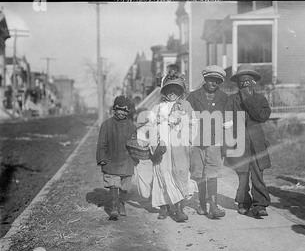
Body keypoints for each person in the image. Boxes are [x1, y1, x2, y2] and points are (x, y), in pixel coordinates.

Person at [147, 75, 197, 222]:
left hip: (180, 147)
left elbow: (193, 124)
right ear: (164, 91)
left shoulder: (186, 106)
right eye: (169, 90)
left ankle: (179, 209)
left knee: (180, 173)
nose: (172, 93)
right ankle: (163, 207)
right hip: (163, 147)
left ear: (180, 92)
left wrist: (188, 140)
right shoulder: (157, 108)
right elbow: (150, 126)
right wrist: (154, 143)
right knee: (163, 173)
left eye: (175, 90)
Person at [226, 64, 272, 219]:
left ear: (254, 82)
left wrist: (248, 100)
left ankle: (260, 205)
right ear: (237, 83)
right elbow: (226, 121)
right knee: (242, 175)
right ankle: (243, 202)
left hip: (257, 143)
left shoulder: (260, 99)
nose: (244, 83)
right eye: (241, 81)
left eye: (248, 80)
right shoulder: (232, 100)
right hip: (239, 143)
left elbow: (262, 116)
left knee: (258, 174)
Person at [187, 65, 229, 219]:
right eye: (211, 80)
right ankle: (202, 204)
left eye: (218, 81)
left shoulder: (224, 98)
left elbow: (228, 118)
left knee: (212, 172)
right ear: (205, 79)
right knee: (199, 173)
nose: (214, 84)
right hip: (197, 140)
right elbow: (186, 115)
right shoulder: (193, 96)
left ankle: (213, 206)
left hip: (215, 140)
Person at [96, 95, 137, 221]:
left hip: (126, 160)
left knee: (125, 186)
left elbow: (135, 144)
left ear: (128, 112)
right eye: (119, 109)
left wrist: (136, 156)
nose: (122, 113)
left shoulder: (131, 126)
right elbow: (101, 144)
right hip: (111, 160)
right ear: (114, 109)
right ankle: (114, 208)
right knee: (114, 184)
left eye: (125, 111)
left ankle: (121, 203)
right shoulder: (106, 125)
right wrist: (101, 158)